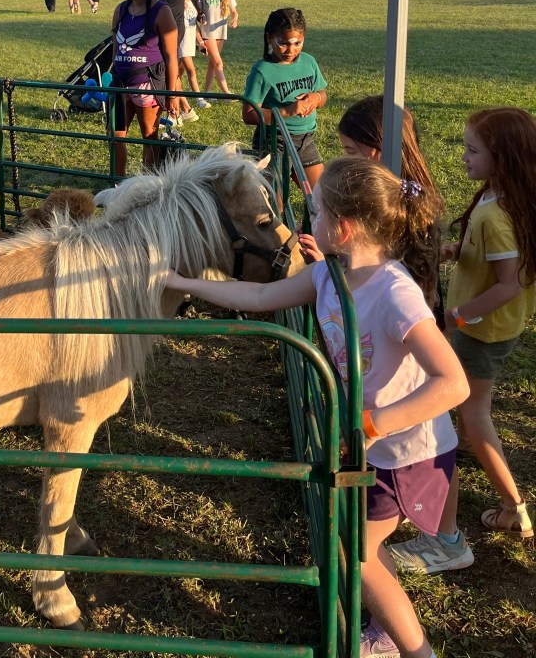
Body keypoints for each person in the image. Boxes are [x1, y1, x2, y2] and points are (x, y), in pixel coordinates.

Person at [166, 157, 468, 658]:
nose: (310, 220)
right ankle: (386, 632)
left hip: (406, 448)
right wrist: (185, 284)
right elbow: (260, 294)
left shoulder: (395, 293)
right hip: (371, 443)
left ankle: (418, 652)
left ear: (343, 228)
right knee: (361, 545)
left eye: (318, 212)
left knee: (353, 552)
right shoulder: (329, 276)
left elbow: (453, 382)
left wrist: (371, 423)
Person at [390, 108, 536, 580]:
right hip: (486, 328)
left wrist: (456, 315)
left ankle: (514, 508)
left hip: (482, 332)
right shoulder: (499, 198)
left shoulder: (496, 213)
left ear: (503, 157)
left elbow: (511, 283)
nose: (464, 157)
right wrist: (457, 251)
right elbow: (495, 260)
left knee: (473, 416)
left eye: (473, 150)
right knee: (471, 412)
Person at [318, 95, 445, 322]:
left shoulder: (402, 208)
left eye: (350, 151)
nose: (346, 159)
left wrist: (328, 262)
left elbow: (371, 269)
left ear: (379, 150)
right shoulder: (374, 195)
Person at [242, 7, 327, 189]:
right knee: (275, 198)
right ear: (269, 38)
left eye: (298, 43)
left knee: (322, 194)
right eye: (283, 43)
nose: (291, 50)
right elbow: (249, 114)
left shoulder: (309, 62)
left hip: (305, 139)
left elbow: (323, 94)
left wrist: (316, 98)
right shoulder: (262, 71)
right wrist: (286, 111)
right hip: (275, 141)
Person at [109, 0, 179, 176]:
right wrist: (114, 73)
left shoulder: (161, 11)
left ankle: (147, 186)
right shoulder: (121, 10)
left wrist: (172, 94)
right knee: (115, 135)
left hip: (147, 84)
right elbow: (115, 45)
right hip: (120, 84)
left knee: (149, 136)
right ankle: (117, 183)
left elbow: (171, 56)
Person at [195, 0, 239, 100]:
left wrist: (235, 19)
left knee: (212, 64)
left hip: (220, 32)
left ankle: (206, 93)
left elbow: (234, 11)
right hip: (207, 33)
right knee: (218, 63)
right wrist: (200, 18)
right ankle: (227, 94)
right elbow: (197, 13)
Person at [177, 0, 206, 121]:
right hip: (180, 41)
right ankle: (199, 99)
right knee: (191, 70)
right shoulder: (176, 3)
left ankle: (181, 108)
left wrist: (200, 42)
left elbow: (194, 27)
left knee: (177, 76)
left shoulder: (193, 3)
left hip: (189, 41)